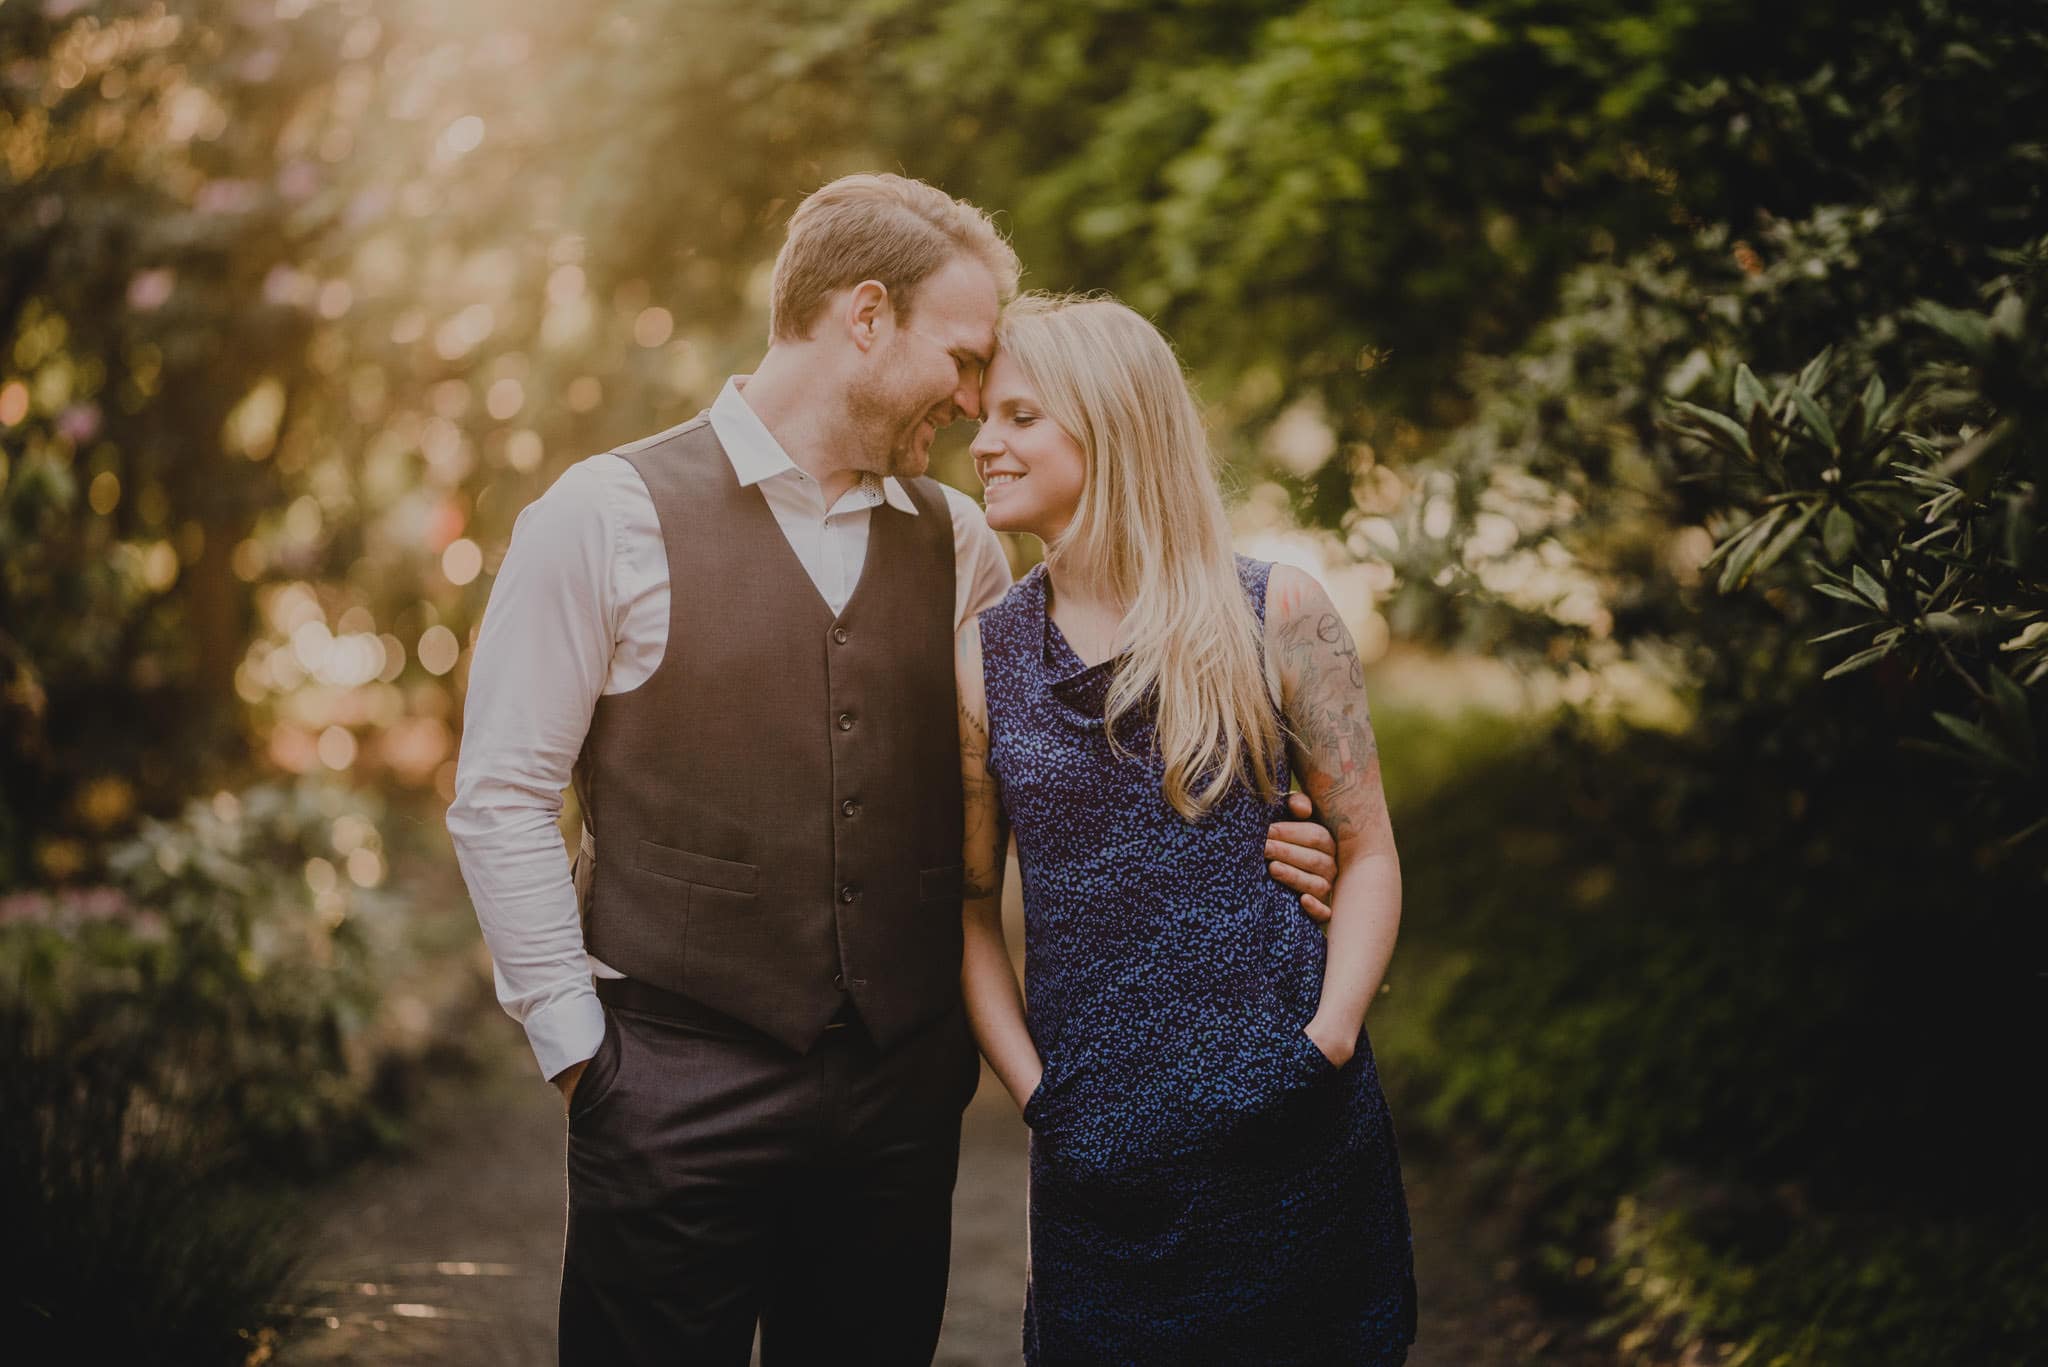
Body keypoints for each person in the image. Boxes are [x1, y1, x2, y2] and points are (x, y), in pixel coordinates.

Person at [447, 175, 1342, 1365]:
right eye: (966, 359)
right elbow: (501, 792)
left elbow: (1073, 761)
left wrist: (1273, 839)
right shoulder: (602, 517)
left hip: (894, 1107)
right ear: (864, 317)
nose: (977, 404)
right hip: (668, 1087)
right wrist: (579, 1054)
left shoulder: (960, 543)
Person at [956, 294, 1418, 1364]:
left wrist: (1329, 1037)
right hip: (1100, 1175)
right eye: (984, 416)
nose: (983, 442)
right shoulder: (983, 660)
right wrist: (1040, 1097)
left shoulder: (1277, 612)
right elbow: (969, 912)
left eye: (1019, 416)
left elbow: (1369, 853)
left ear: (1110, 424)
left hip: (1293, 1134)